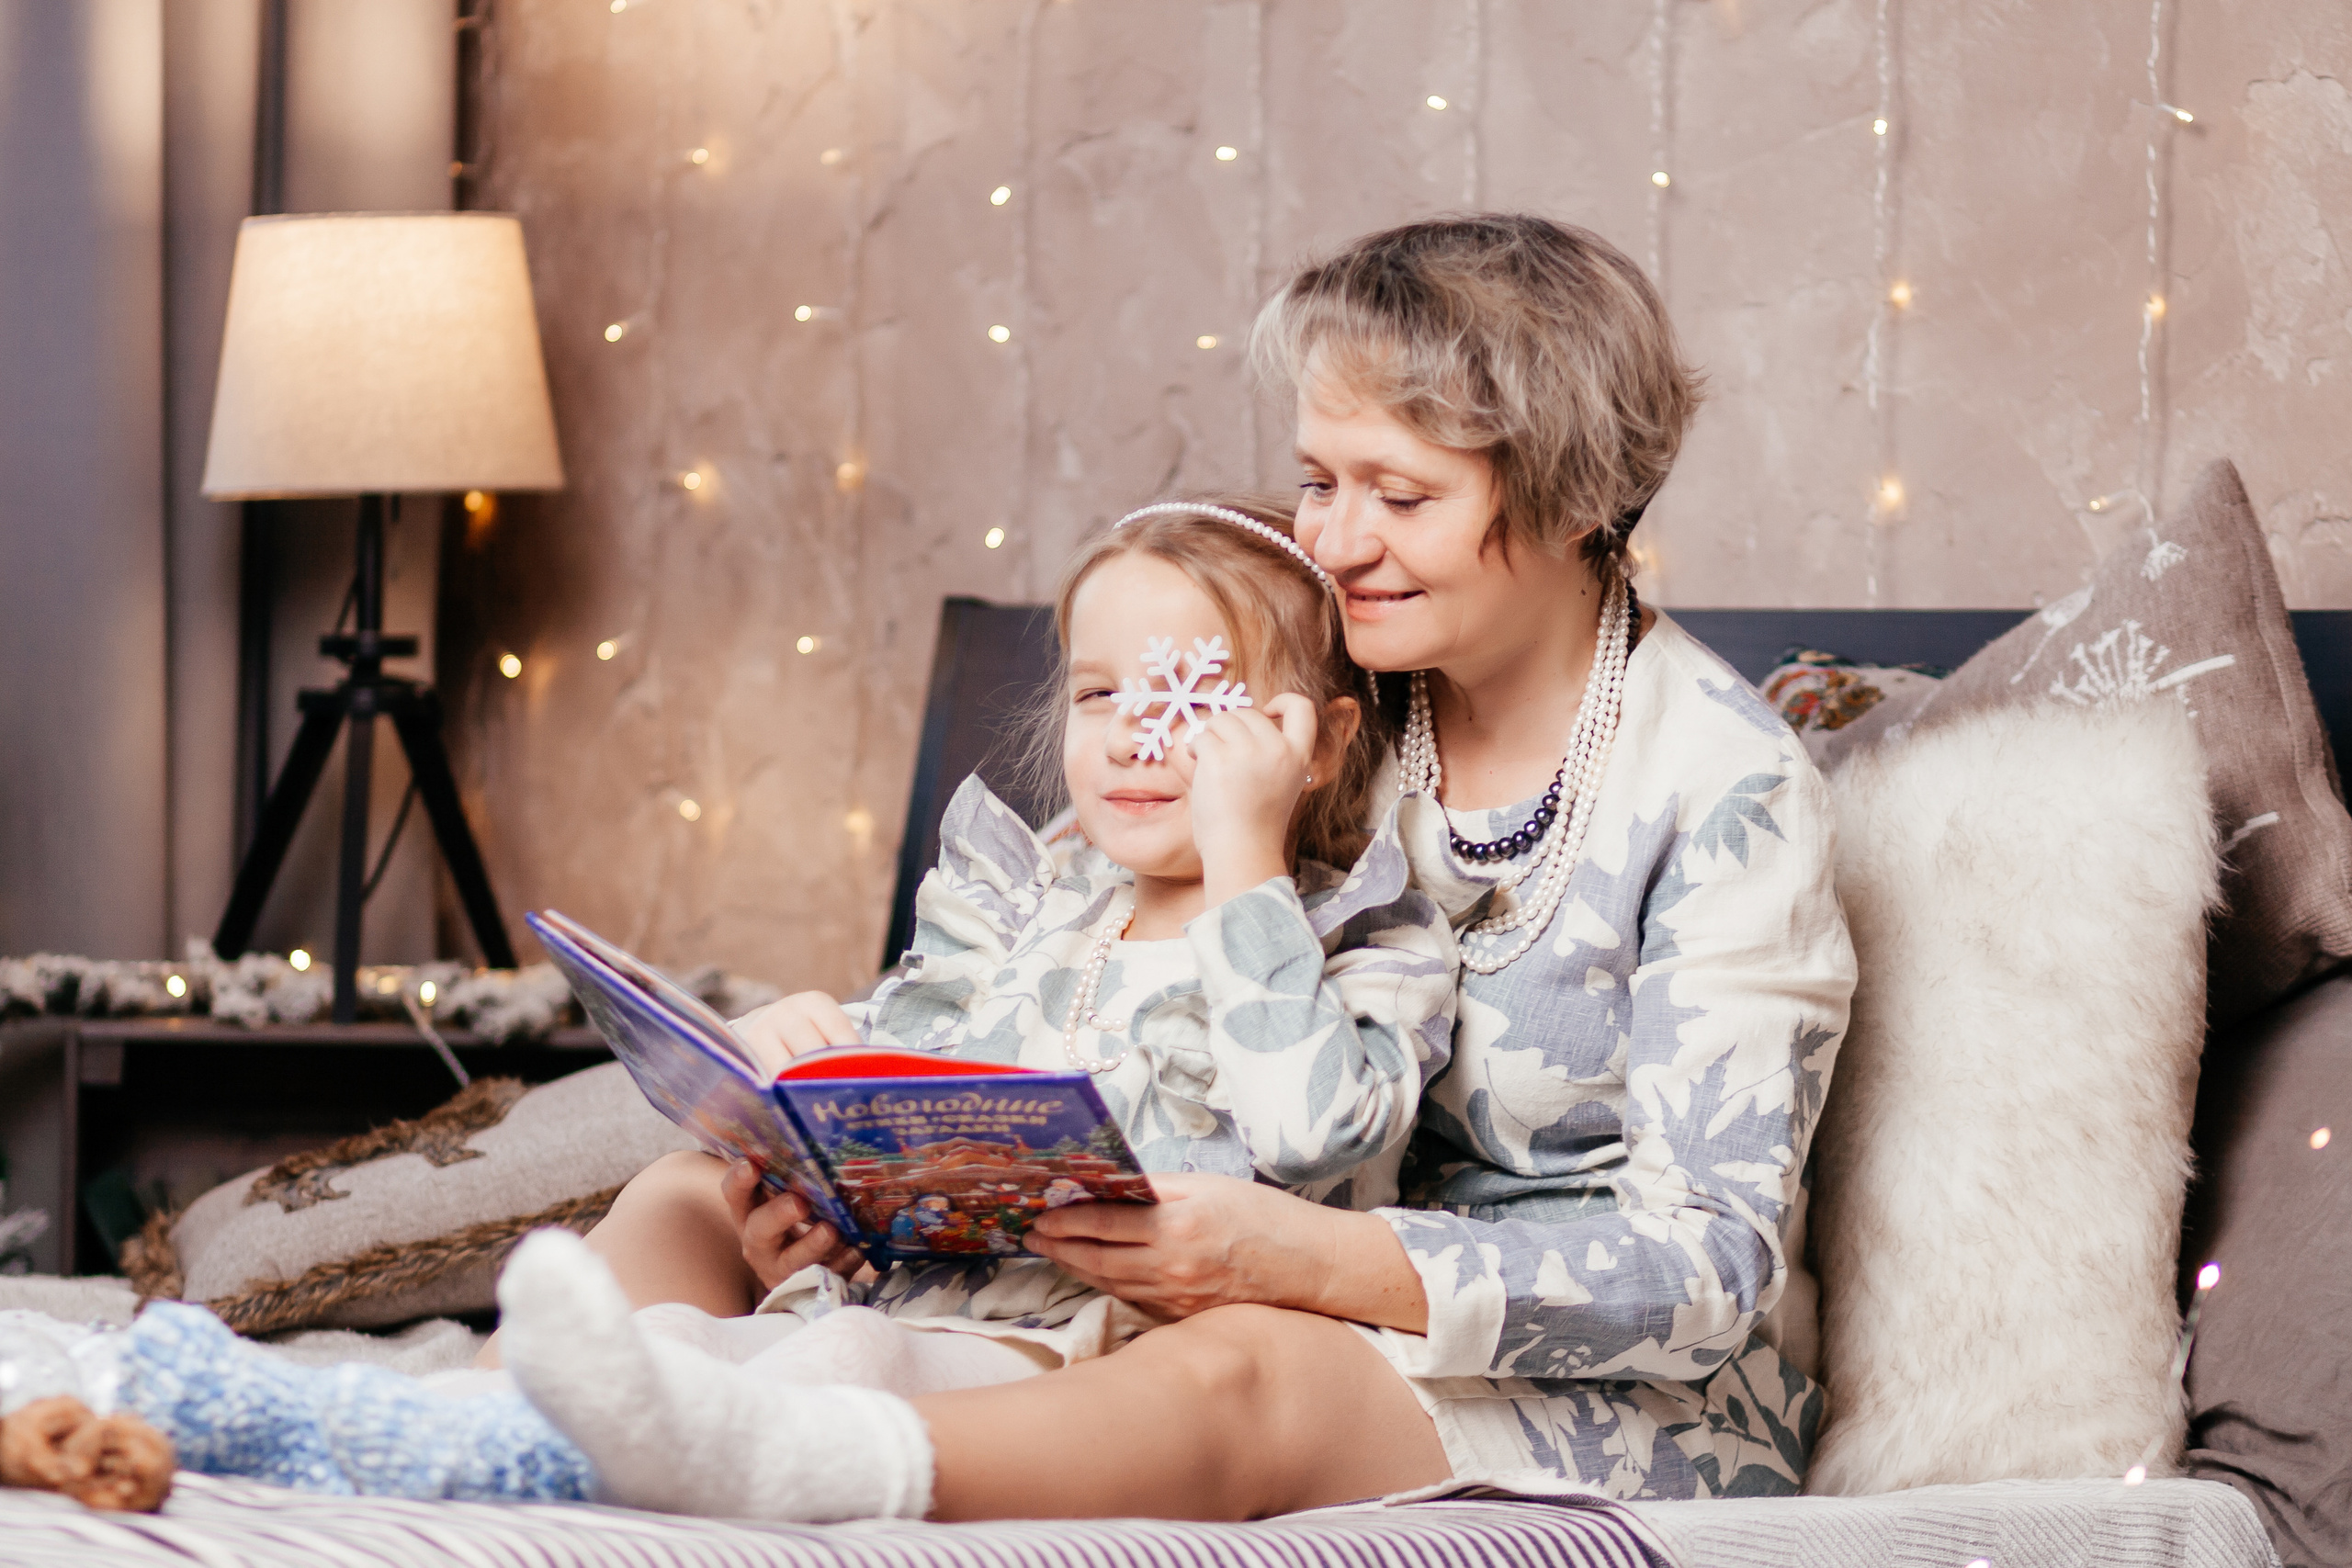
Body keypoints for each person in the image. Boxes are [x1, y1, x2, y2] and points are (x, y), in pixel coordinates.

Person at [569, 212, 1854, 1521]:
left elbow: (1707, 1271)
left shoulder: (1725, 792)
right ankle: (501, 1434)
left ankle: (793, 1462)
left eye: (1402, 497)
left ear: (1582, 497)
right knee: (681, 1196)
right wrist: (859, 1203)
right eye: (1318, 480)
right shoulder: (1323, 681)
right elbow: (1074, 957)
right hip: (1200, 1265)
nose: (1341, 544)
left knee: (1239, 1368)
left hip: (1586, 1376)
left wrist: (1310, 1260)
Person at [95, 493, 1463, 1512]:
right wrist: (794, 1122)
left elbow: (1307, 1136)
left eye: (1195, 703)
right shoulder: (1025, 895)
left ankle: (586, 1426)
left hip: (1077, 1346)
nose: (1136, 736)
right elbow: (909, 1097)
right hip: (898, 1282)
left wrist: (1244, 859)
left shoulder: (1364, 930)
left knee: (861, 1362)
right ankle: (465, 1405)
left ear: (1317, 737)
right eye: (1103, 695)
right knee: (681, 1191)